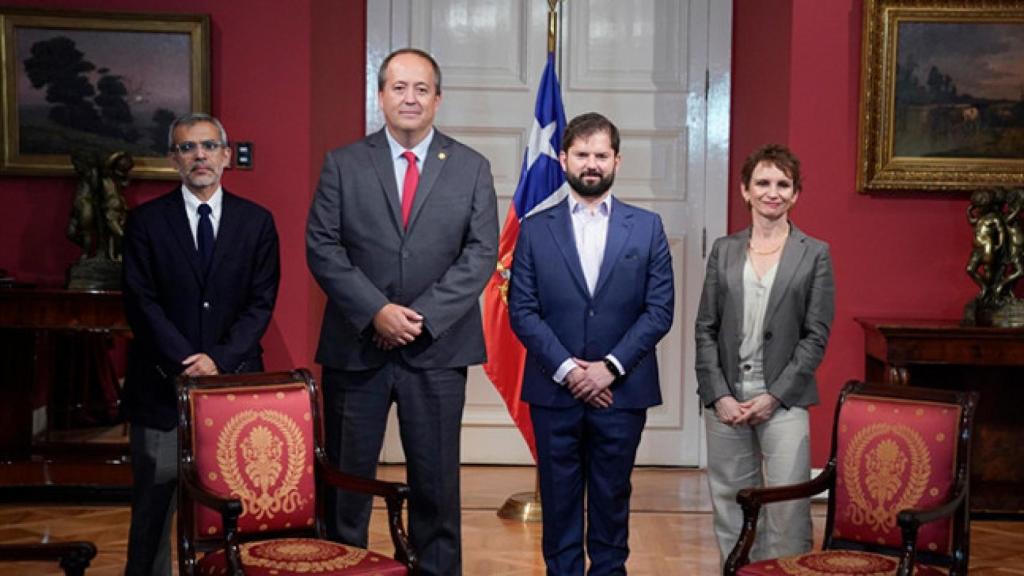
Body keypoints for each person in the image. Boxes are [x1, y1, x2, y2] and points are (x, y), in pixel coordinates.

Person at [305, 48, 498, 576]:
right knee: (347, 486)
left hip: (437, 351)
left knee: (436, 486)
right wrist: (376, 312)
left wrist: (418, 318)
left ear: (437, 99)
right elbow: (323, 247)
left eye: (421, 89)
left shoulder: (471, 167)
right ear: (381, 95)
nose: (409, 98)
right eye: (398, 88)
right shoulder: (343, 163)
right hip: (356, 348)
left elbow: (480, 253)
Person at [508, 112, 674, 575]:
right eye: (582, 154)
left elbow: (659, 311)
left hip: (622, 394)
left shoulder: (647, 227)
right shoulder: (535, 228)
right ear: (563, 158)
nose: (592, 164)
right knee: (559, 505)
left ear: (618, 160)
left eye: (602, 155)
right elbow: (522, 310)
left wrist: (609, 368)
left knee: (611, 499)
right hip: (554, 392)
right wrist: (570, 370)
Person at [121, 113, 280, 576]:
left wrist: (220, 360)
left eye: (209, 146)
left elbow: (261, 302)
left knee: (234, 503)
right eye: (187, 148)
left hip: (235, 387)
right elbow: (141, 302)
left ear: (227, 156)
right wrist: (188, 361)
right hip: (161, 387)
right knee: (154, 503)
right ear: (174, 160)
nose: (200, 156)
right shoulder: (146, 222)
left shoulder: (257, 223)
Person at [695, 144, 834, 564]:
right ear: (745, 190)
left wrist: (774, 395)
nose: (772, 192)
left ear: (795, 194)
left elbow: (816, 335)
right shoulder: (724, 250)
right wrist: (718, 394)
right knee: (732, 502)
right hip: (727, 401)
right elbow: (706, 329)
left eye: (782, 184)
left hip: (784, 400)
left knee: (787, 508)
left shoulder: (815, 254)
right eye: (763, 183)